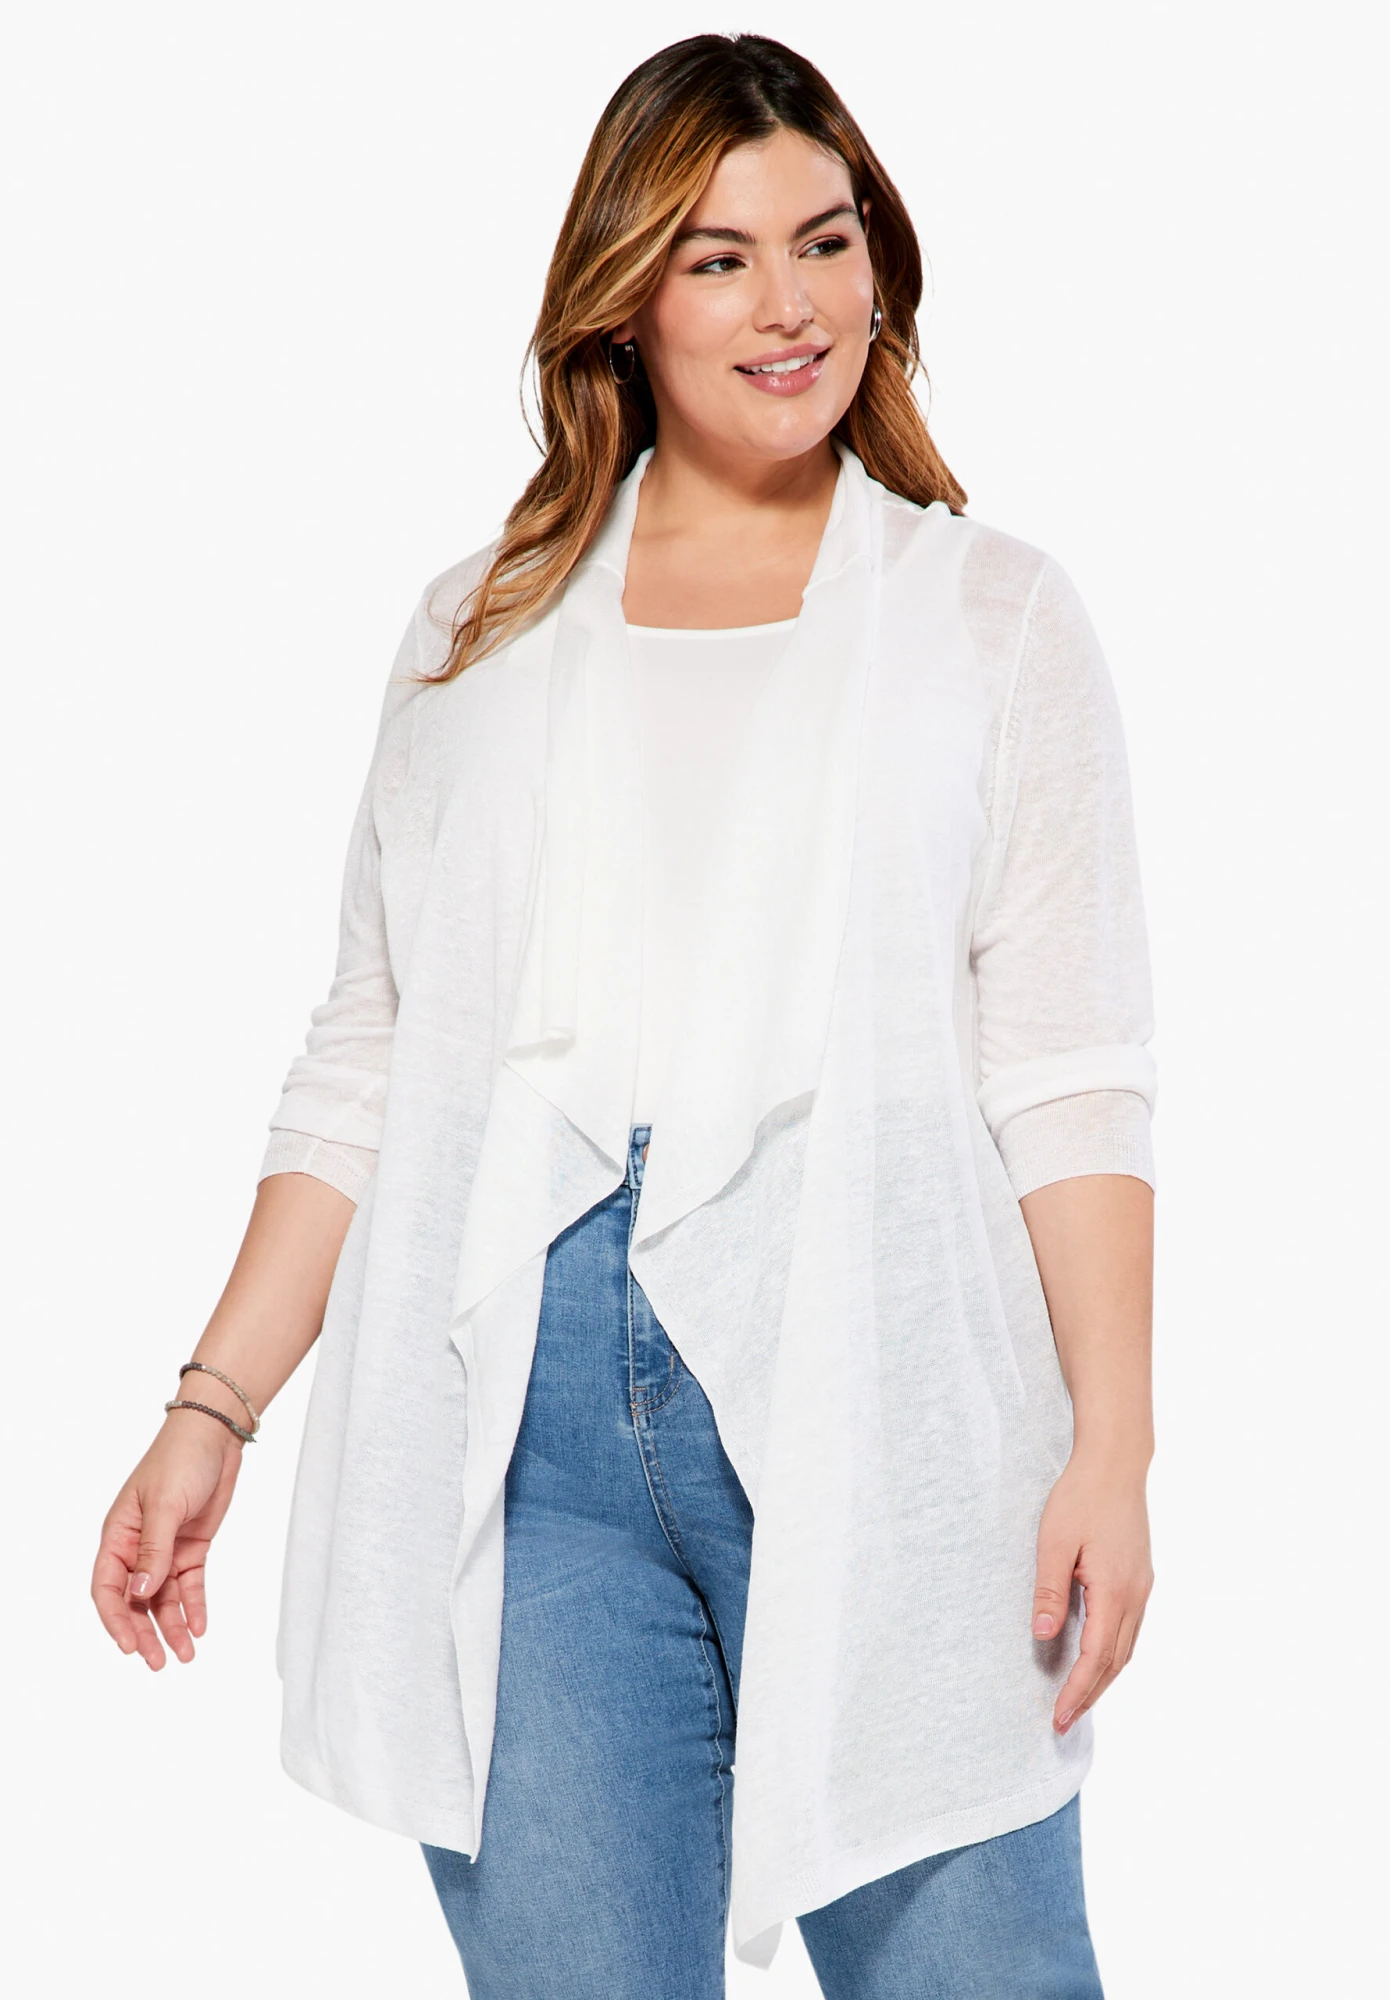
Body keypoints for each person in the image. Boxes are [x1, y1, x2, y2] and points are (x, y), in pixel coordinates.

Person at [91, 33, 1157, 2000]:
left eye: (824, 241)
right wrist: (209, 1408)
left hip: (887, 1394)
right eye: (719, 258)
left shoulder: (990, 620)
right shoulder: (476, 630)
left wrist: (1115, 1445)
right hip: (529, 1426)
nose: (790, 304)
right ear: (626, 298)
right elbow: (367, 1063)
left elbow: (1069, 1077)